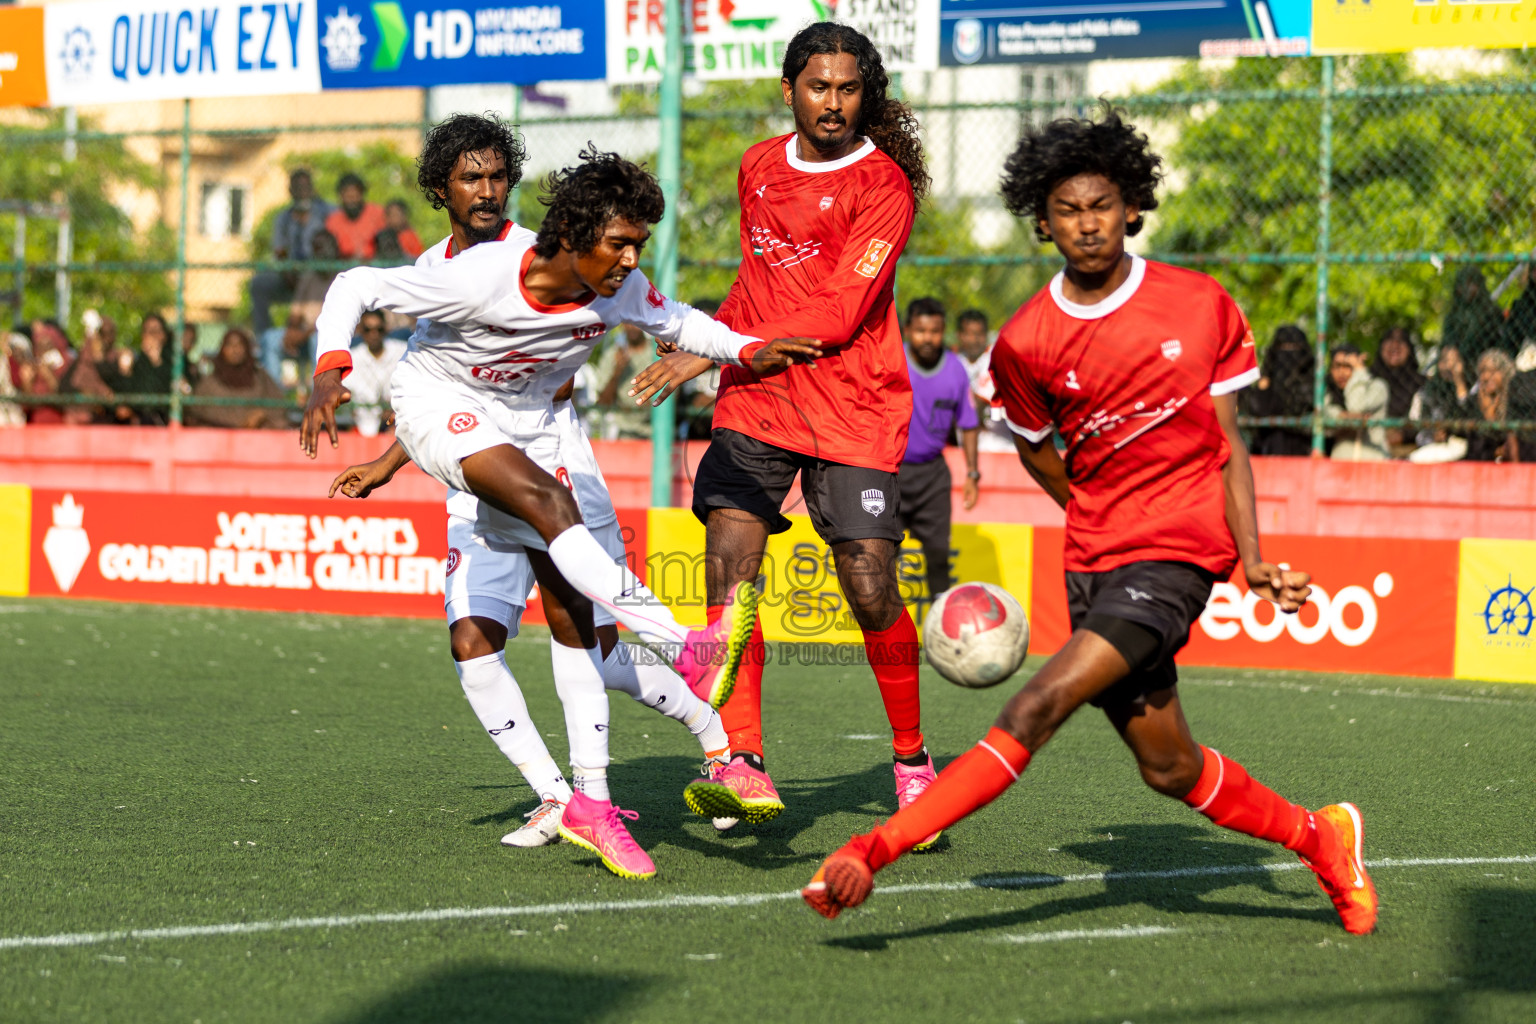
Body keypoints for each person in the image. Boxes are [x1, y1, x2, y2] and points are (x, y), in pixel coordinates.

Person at [801, 106, 1377, 938]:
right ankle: (1323, 838)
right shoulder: (1025, 342)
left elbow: (1229, 443)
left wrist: (1251, 558)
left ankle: (872, 849)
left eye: (1102, 205)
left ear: (1132, 207)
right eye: (1068, 211)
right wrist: (1094, 506)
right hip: (1096, 559)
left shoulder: (1199, 304)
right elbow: (1037, 451)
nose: (1087, 224)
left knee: (1036, 706)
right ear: (1043, 223)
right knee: (1169, 767)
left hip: (1179, 553)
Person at [301, 145, 819, 878]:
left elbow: (682, 325)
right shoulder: (476, 277)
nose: (631, 258)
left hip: (533, 435)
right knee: (539, 525)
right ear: (574, 234)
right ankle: (688, 650)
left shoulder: (616, 285)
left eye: (640, 243)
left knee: (579, 626)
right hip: (437, 409)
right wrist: (331, 372)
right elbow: (353, 285)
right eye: (620, 242)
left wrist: (748, 349)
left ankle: (594, 803)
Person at [626, 21, 933, 833]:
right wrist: (711, 343)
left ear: (866, 96)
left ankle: (910, 759)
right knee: (730, 571)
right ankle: (741, 759)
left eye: (848, 89)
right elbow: (756, 285)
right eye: (818, 86)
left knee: (869, 589)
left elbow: (836, 312)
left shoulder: (884, 186)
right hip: (759, 398)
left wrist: (704, 353)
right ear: (790, 88)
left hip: (853, 403)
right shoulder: (758, 167)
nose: (833, 103)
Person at [897, 297, 979, 612]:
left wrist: (972, 474)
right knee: (882, 556)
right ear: (907, 331)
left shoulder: (956, 370)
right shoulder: (893, 360)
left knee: (938, 555)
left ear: (943, 332)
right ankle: (885, 631)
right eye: (920, 331)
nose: (928, 338)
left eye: (934, 331)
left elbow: (968, 425)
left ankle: (941, 628)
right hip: (891, 472)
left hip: (933, 475)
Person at [250, 169, 333, 336]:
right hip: (291, 275)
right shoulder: (284, 218)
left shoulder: (327, 212)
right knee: (259, 284)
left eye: (305, 186)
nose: (302, 191)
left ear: (312, 188)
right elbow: (279, 251)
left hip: (319, 275)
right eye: (297, 187)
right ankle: (264, 336)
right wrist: (288, 273)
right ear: (290, 191)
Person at [187, 327, 287, 429]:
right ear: (222, 349)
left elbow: (278, 406)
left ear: (246, 348)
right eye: (229, 345)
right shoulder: (210, 382)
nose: (235, 350)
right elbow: (197, 412)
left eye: (239, 345)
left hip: (255, 438)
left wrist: (262, 414)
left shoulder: (260, 377)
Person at [1241, 324, 1315, 456]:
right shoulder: (1267, 379)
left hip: (1302, 448)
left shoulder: (1311, 381)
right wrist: (1264, 387)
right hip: (1268, 449)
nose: (1288, 351)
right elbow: (1259, 410)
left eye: (1294, 347)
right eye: (1283, 347)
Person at [953, 308, 1012, 453]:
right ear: (959, 335)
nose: (974, 340)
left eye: (979, 334)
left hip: (999, 444)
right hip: (964, 444)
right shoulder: (954, 361)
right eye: (968, 334)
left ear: (986, 335)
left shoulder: (995, 358)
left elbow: (975, 409)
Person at [1465, 349, 1535, 463]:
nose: (1487, 376)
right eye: (1482, 371)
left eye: (1493, 371)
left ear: (1505, 372)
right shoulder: (1475, 401)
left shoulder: (1518, 397)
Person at [1407, 343, 1472, 464]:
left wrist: (1459, 381)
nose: (1449, 366)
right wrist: (1432, 437)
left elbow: (1469, 411)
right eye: (1445, 360)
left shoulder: (1472, 388)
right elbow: (1415, 427)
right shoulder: (1425, 392)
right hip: (1431, 447)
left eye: (1455, 362)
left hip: (1463, 446)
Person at [345, 310, 406, 437]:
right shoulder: (353, 358)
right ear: (361, 331)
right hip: (361, 427)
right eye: (368, 330)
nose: (374, 334)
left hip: (397, 425)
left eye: (379, 329)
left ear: (385, 329)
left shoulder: (402, 351)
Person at [1324, 345, 1389, 461]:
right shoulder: (1327, 392)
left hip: (1374, 462)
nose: (1341, 372)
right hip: (1340, 463)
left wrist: (1359, 372)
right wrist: (1344, 417)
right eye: (1337, 366)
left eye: (1348, 366)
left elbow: (1356, 407)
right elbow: (1324, 416)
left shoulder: (1377, 387)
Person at [591, 324, 655, 439]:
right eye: (627, 323)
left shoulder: (657, 355)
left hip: (655, 432)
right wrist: (617, 372)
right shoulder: (612, 356)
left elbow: (672, 395)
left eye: (636, 323)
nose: (631, 327)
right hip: (622, 434)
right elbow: (603, 403)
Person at [1371, 327, 1423, 456]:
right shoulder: (1368, 379)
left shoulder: (1420, 383)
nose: (1394, 344)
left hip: (1408, 450)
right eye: (1390, 339)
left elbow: (1425, 416)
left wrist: (1403, 435)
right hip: (1371, 444)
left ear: (1409, 349)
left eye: (1401, 341)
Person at [1442, 265, 1508, 365]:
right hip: (1458, 362)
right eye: (1462, 285)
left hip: (1486, 361)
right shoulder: (1453, 315)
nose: (1466, 289)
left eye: (1470, 284)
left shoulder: (1491, 312)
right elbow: (1448, 342)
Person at [324, 173, 387, 261]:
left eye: (355, 195)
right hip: (343, 268)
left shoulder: (377, 214)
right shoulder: (332, 220)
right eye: (348, 196)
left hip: (375, 266)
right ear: (341, 197)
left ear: (361, 194)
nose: (352, 199)